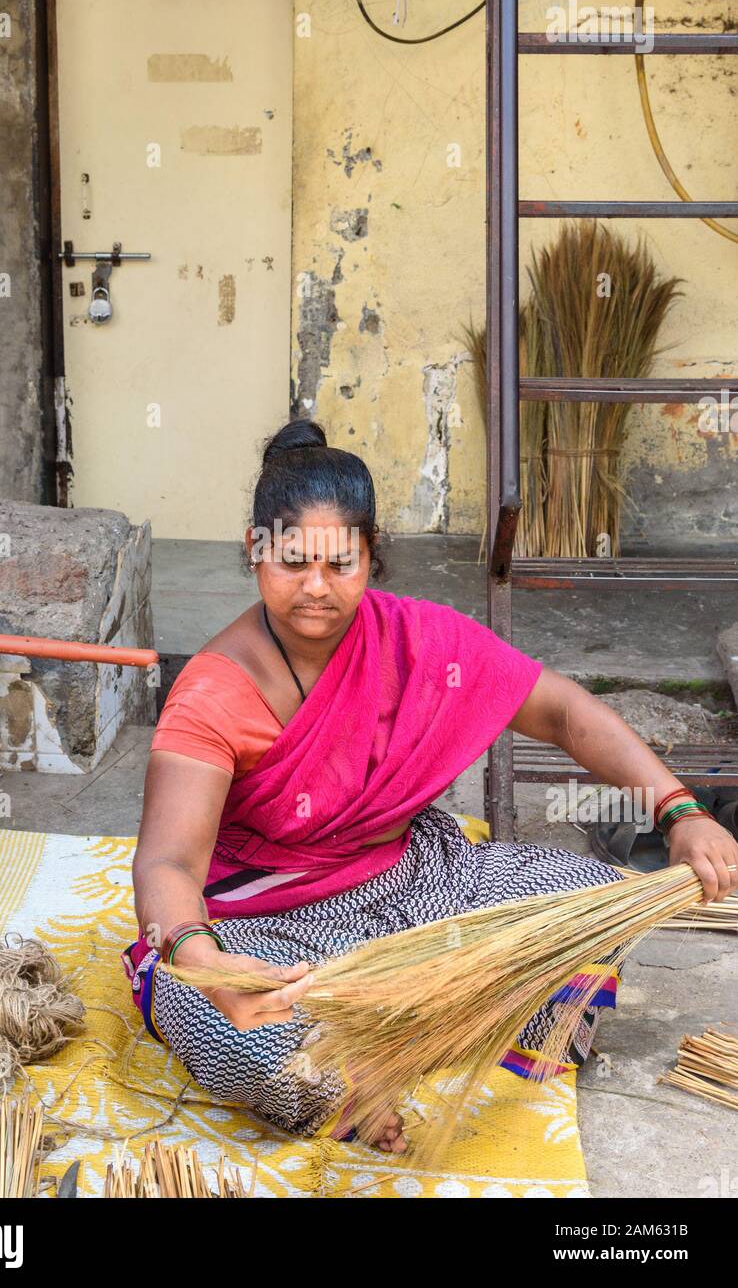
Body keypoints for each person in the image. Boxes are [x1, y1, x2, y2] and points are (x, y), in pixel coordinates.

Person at [123, 421, 738, 1153]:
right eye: (292, 563)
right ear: (256, 553)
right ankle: (354, 1067)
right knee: (246, 1037)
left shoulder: (418, 641)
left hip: (417, 885)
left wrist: (680, 810)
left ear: (372, 559)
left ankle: (417, 1028)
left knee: (587, 904)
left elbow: (565, 712)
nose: (315, 589)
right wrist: (199, 956)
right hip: (271, 923)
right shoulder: (215, 692)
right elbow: (167, 864)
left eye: (339, 565)